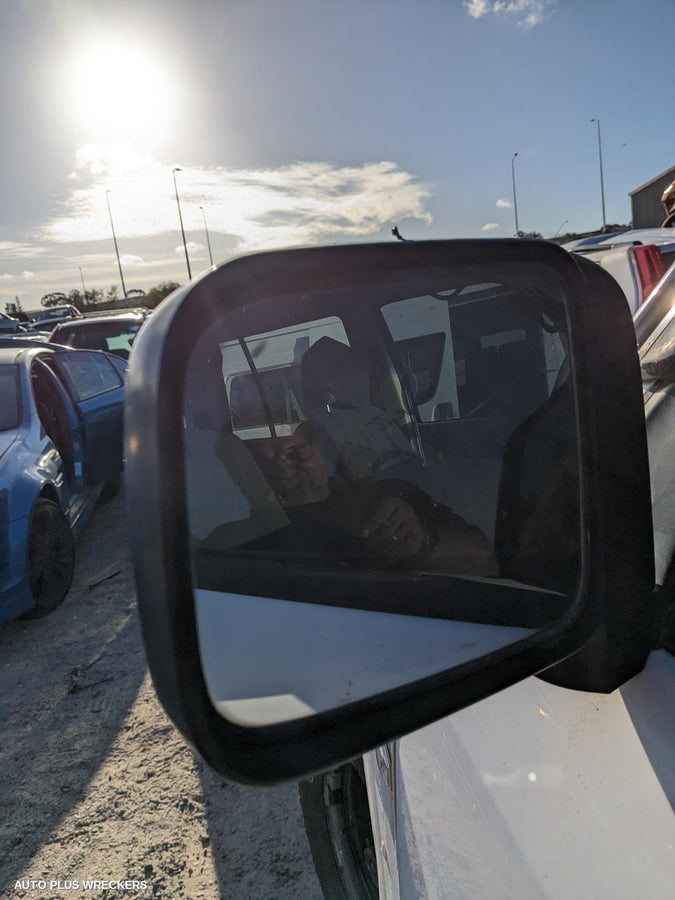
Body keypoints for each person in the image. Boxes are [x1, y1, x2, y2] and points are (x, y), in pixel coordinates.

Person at [246, 420, 498, 577]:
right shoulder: (255, 541)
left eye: (295, 454)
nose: (284, 472)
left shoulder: (393, 496)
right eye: (264, 466)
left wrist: (422, 543)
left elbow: (486, 561)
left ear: (321, 451)